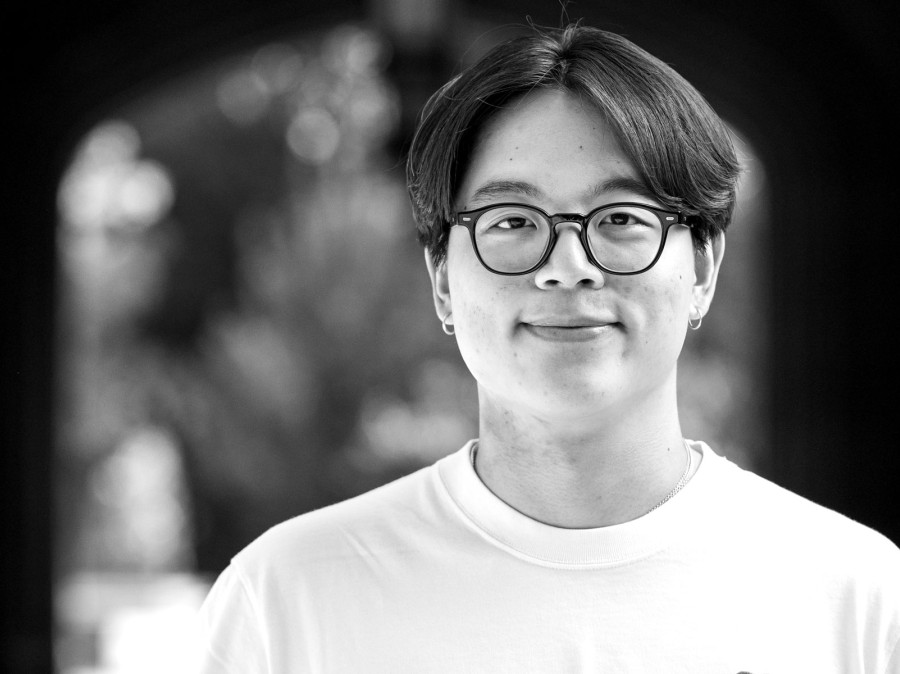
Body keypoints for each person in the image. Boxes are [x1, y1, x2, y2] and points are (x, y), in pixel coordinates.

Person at [195, 24, 900, 673]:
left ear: (703, 269)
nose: (567, 264)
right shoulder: (291, 598)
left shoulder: (859, 597)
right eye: (512, 221)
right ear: (442, 278)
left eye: (622, 217)